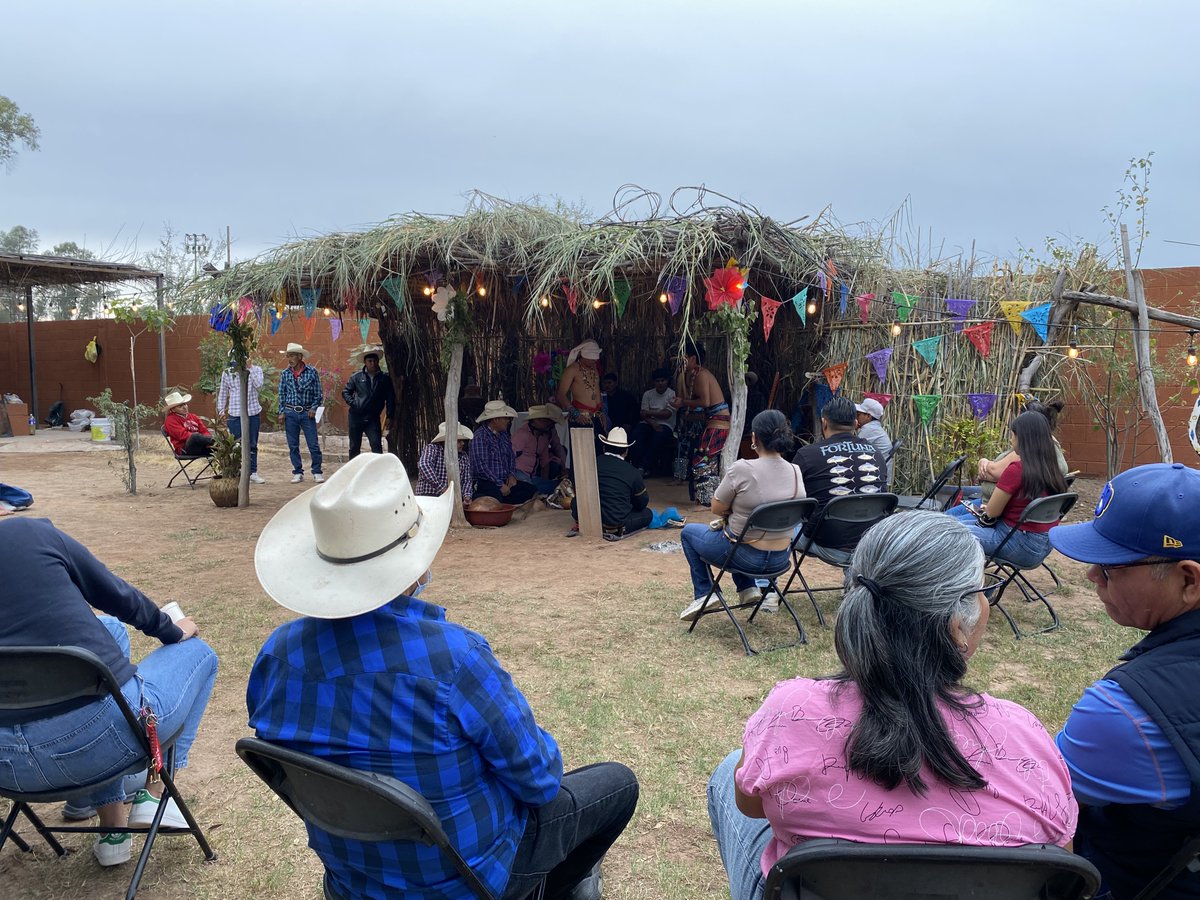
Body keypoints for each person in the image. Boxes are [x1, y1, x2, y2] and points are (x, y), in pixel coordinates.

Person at [246, 453, 639, 900]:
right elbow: (540, 780)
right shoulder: (453, 659)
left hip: (353, 879)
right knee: (617, 784)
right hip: (470, 880)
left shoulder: (276, 657)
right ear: (413, 560)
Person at [708, 511, 1077, 900]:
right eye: (983, 591)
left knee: (729, 768)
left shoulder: (788, 710)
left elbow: (750, 806)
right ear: (957, 622)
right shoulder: (1025, 734)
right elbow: (1060, 861)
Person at [0, 517, 218, 868]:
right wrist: (171, 631)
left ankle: (112, 826)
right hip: (95, 744)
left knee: (111, 630)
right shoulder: (30, 533)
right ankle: (155, 791)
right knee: (200, 654)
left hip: (8, 769)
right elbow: (114, 593)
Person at [1050, 463, 1200, 899]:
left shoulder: (1124, 712)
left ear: (1188, 580)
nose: (1092, 576)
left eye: (1112, 567)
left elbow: (1040, 798)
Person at [679, 410, 805, 621]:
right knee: (738, 530)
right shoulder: (795, 471)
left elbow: (717, 508)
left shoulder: (742, 468)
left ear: (754, 438)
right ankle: (747, 589)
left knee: (690, 532)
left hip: (746, 557)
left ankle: (704, 593)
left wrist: (736, 508)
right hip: (780, 561)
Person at [948, 410, 1068, 569]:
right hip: (1043, 543)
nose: (1011, 441)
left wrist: (989, 509)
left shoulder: (1017, 469)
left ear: (1023, 438)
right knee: (953, 523)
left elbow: (991, 514)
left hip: (1016, 542)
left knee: (948, 534)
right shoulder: (1051, 467)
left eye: (1013, 435)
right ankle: (982, 585)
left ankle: (975, 588)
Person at [791, 395, 887, 549]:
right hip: (869, 544)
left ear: (824, 423)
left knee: (777, 526)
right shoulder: (877, 454)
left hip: (825, 542)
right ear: (856, 424)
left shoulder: (807, 454)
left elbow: (790, 499)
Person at [971, 399, 1069, 501]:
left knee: (953, 513)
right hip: (1005, 501)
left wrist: (983, 468)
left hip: (997, 505)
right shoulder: (1050, 446)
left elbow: (997, 473)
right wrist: (983, 462)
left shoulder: (1026, 452)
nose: (1011, 438)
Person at [671, 341, 729, 503]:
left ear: (693, 358)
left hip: (718, 423)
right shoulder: (693, 375)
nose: (679, 363)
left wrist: (682, 402)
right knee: (700, 457)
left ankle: (707, 500)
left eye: (683, 359)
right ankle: (704, 499)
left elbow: (705, 401)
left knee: (702, 459)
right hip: (711, 422)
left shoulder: (702, 375)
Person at [569, 427, 651, 540]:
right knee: (648, 514)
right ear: (626, 451)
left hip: (586, 517)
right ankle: (618, 529)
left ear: (604, 448)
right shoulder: (632, 471)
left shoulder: (590, 463)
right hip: (612, 522)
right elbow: (642, 503)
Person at [470, 400, 538, 504]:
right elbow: (481, 467)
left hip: (505, 479)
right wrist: (499, 484)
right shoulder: (480, 437)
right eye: (505, 418)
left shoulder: (504, 435)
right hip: (486, 481)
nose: (508, 421)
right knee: (496, 497)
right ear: (496, 419)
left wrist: (511, 475)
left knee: (531, 491)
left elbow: (511, 457)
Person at [278, 342, 324, 484]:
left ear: (299, 356)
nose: (289, 359)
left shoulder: (311, 372)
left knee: (313, 444)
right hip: (290, 411)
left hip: (306, 412)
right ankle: (297, 471)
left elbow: (318, 394)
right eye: (288, 356)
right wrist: (281, 411)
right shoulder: (285, 374)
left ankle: (317, 471)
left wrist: (314, 408)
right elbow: (282, 393)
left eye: (292, 356)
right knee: (293, 445)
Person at [216, 359, 266, 483]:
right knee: (236, 445)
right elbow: (223, 393)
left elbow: (259, 386)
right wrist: (221, 410)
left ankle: (252, 472)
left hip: (252, 412)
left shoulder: (256, 370)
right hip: (235, 413)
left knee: (252, 444)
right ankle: (239, 472)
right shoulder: (228, 372)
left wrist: (249, 369)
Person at [341, 345, 395, 459]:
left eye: (375, 361)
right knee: (354, 447)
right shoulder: (356, 377)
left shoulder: (384, 379)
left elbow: (390, 397)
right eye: (370, 361)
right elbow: (346, 392)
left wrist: (390, 415)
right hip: (356, 417)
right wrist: (353, 403)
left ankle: (377, 471)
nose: (373, 363)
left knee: (376, 445)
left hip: (373, 417)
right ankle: (354, 471)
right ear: (365, 362)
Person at [629, 368, 677, 476]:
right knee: (636, 435)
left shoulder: (671, 394)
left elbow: (667, 414)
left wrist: (650, 412)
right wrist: (653, 422)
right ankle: (637, 465)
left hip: (666, 424)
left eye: (662, 380)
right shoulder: (648, 394)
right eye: (657, 381)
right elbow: (642, 414)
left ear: (667, 381)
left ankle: (644, 467)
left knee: (657, 438)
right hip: (648, 423)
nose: (660, 383)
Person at [512, 404, 567, 496]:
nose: (547, 423)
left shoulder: (544, 436)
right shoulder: (522, 434)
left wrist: (546, 479)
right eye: (543, 420)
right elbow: (510, 455)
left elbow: (545, 461)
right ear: (533, 421)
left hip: (532, 474)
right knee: (531, 489)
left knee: (555, 485)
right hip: (518, 472)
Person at [416, 421, 474, 505]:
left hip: (451, 500)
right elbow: (424, 465)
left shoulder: (463, 456)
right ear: (448, 441)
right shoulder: (433, 449)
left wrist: (466, 496)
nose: (462, 443)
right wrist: (443, 489)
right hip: (429, 497)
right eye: (459, 441)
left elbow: (467, 479)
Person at [555, 340, 605, 431]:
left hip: (597, 416)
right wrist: (575, 414)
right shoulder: (572, 369)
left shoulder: (594, 368)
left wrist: (602, 412)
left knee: (599, 445)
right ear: (584, 356)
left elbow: (596, 390)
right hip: (581, 417)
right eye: (592, 358)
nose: (595, 360)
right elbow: (560, 394)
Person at [162, 390, 214, 456]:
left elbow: (204, 431)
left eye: (185, 404)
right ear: (172, 410)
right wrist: (202, 439)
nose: (184, 407)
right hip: (185, 449)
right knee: (194, 436)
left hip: (202, 446)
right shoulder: (170, 420)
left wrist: (205, 440)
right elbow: (183, 435)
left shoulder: (193, 416)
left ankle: (219, 444)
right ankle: (216, 442)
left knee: (218, 446)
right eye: (180, 406)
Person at [854, 397, 893, 483]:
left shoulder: (869, 429)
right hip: (879, 470)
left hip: (876, 474)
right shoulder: (874, 427)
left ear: (868, 416)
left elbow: (854, 448)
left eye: (859, 415)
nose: (856, 417)